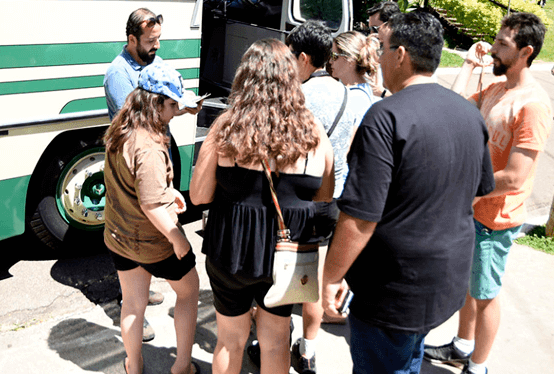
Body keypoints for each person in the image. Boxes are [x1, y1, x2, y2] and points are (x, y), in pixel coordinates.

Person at [321, 11, 495, 374]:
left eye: (383, 48)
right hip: (446, 281)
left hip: (394, 290)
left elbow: (360, 217)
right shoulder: (469, 114)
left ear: (400, 55)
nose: (379, 57)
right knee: (407, 358)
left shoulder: (385, 117)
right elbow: (477, 193)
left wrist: (332, 276)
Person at [190, 38, 335, 374]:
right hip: (286, 257)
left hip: (231, 252)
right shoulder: (314, 131)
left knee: (229, 340)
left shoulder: (226, 127)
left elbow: (198, 196)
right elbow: (323, 197)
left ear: (245, 76)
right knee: (274, 341)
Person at [425, 12, 552, 374]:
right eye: (495, 41)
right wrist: (468, 62)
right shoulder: (498, 89)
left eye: (502, 45)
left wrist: (468, 192)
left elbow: (515, 177)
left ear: (525, 52)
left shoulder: (533, 105)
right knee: (471, 286)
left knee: (485, 295)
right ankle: (462, 346)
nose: (493, 49)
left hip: (495, 218)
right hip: (474, 210)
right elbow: (454, 107)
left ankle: (477, 366)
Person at [103, 63, 200, 374]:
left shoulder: (122, 129)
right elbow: (150, 204)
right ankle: (181, 366)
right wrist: (177, 237)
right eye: (171, 105)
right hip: (154, 240)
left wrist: (169, 190)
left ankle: (133, 363)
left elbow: (135, 184)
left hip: (119, 236)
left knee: (132, 304)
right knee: (189, 291)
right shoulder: (149, 147)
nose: (174, 112)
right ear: (155, 102)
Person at [282, 21, 365, 373]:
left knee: (284, 275)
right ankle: (309, 349)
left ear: (304, 58)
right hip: (334, 199)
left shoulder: (299, 96)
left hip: (298, 199)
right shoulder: (351, 93)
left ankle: (273, 337)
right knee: (313, 277)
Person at [328, 30, 384, 122]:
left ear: (350, 60)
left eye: (334, 56)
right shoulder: (363, 90)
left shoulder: (355, 97)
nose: (330, 61)